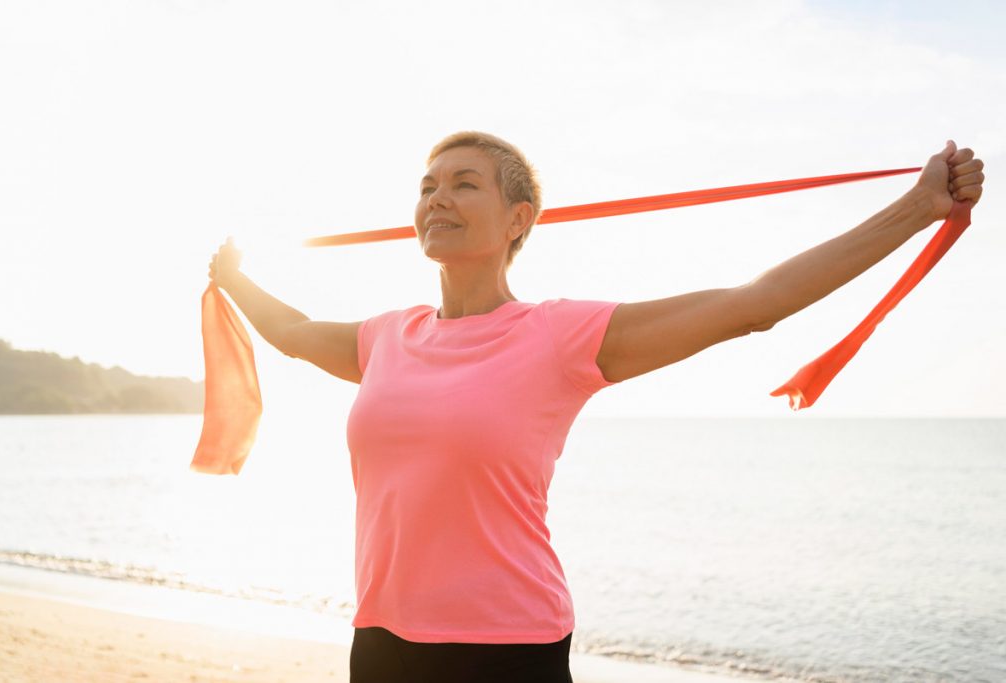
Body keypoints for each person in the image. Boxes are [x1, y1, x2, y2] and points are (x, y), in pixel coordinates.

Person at [208, 131, 984, 682]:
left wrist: (918, 207)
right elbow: (297, 333)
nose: (437, 197)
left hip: (507, 650)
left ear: (518, 221)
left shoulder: (560, 335)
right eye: (427, 185)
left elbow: (756, 302)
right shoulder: (387, 336)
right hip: (379, 641)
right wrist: (234, 277)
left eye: (464, 183)